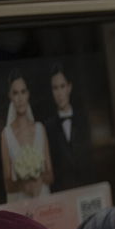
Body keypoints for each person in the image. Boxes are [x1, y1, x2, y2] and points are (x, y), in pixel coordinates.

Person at [0, 69, 53, 201]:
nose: (20, 98)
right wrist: (24, 184)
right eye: (15, 93)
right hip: (21, 200)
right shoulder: (6, 135)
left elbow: (50, 175)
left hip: (43, 196)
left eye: (23, 92)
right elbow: (7, 184)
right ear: (10, 96)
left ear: (28, 94)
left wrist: (39, 179)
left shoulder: (40, 129)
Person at [44, 63, 95, 191]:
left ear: (69, 87)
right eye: (55, 88)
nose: (60, 93)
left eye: (62, 86)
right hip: (63, 191)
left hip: (88, 188)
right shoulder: (48, 126)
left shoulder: (85, 119)